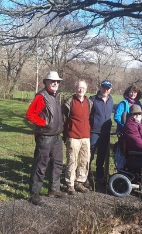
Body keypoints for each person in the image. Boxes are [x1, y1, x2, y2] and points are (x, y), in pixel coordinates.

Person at [26, 71, 66, 205]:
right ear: (46, 82)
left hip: (56, 136)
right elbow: (30, 114)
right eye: (52, 81)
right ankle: (34, 193)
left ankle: (54, 189)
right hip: (45, 136)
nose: (55, 83)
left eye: (57, 81)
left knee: (57, 163)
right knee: (40, 164)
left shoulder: (55, 96)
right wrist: (44, 123)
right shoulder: (41, 96)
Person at [62, 80, 93, 195]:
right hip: (73, 136)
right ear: (75, 88)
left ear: (86, 89)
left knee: (85, 160)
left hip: (85, 137)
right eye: (79, 88)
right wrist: (66, 135)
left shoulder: (89, 102)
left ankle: (79, 182)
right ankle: (70, 184)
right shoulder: (69, 102)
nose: (81, 90)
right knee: (72, 161)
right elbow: (64, 119)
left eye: (83, 88)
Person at [88, 80, 114, 184]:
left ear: (110, 89)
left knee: (102, 155)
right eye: (104, 87)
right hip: (94, 131)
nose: (105, 90)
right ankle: (85, 177)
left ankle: (99, 176)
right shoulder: (92, 99)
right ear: (100, 87)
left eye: (107, 88)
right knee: (90, 155)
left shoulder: (111, 100)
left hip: (105, 132)